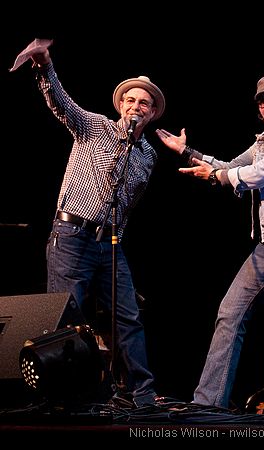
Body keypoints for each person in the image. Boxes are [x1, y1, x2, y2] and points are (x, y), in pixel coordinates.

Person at [156, 72, 264, 416]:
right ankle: (208, 404)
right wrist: (188, 152)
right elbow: (232, 167)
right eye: (263, 100)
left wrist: (218, 176)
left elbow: (260, 174)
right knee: (231, 311)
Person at [21, 39, 166, 407]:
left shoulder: (147, 156)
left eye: (144, 103)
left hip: (110, 243)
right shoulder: (96, 127)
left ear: (151, 113)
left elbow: (128, 205)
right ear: (121, 105)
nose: (137, 106)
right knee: (69, 318)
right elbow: (61, 103)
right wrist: (45, 65)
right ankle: (66, 396)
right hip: (72, 236)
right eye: (131, 100)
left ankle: (142, 394)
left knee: (128, 316)